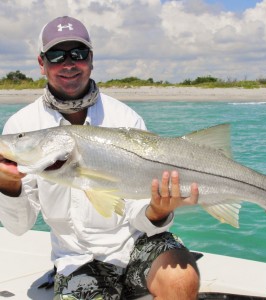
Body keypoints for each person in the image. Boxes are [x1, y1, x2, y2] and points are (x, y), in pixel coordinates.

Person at [0, 16, 200, 300]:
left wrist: (158, 210)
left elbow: (137, 209)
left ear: (91, 59)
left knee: (181, 278)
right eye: (56, 55)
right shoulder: (21, 127)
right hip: (77, 259)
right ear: (42, 63)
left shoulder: (125, 118)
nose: (68, 63)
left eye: (78, 54)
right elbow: (18, 227)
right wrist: (9, 187)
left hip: (137, 245)